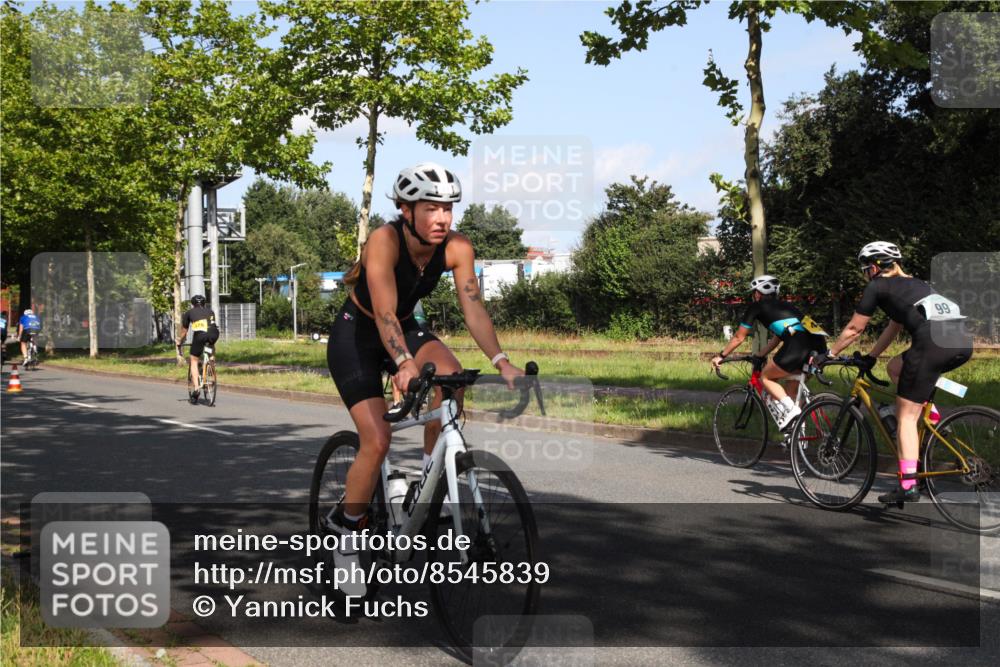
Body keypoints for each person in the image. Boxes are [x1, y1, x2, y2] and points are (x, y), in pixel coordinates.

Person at [326, 162, 523, 596]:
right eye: (431, 209)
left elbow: (473, 308)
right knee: (376, 440)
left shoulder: (457, 248)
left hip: (405, 329)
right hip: (357, 335)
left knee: (451, 379)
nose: (442, 219)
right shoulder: (383, 241)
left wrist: (500, 359)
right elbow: (382, 313)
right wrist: (402, 362)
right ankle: (347, 529)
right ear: (405, 209)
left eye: (448, 209)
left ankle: (429, 484)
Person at [818, 241, 972, 504]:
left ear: (875, 267)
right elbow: (894, 327)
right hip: (961, 343)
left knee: (906, 417)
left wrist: (829, 354)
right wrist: (872, 357)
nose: (866, 274)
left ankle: (909, 484)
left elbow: (855, 329)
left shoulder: (877, 286)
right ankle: (930, 417)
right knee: (895, 368)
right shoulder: (917, 284)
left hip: (931, 345)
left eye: (866, 269)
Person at [712, 276, 829, 429]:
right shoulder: (787, 306)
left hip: (798, 346)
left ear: (758, 293)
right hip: (820, 346)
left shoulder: (757, 306)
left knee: (765, 377)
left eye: (754, 293)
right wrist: (760, 355)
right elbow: (777, 338)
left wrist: (721, 356)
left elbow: (738, 337)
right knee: (792, 392)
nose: (754, 296)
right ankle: (797, 441)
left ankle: (791, 411)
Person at [177, 295, 219, 401]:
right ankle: (211, 362)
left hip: (200, 335)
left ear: (192, 304)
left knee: (194, 360)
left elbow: (184, 331)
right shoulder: (210, 311)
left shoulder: (189, 313)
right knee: (211, 344)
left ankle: (196, 389)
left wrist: (179, 341)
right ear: (204, 303)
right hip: (214, 333)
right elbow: (211, 325)